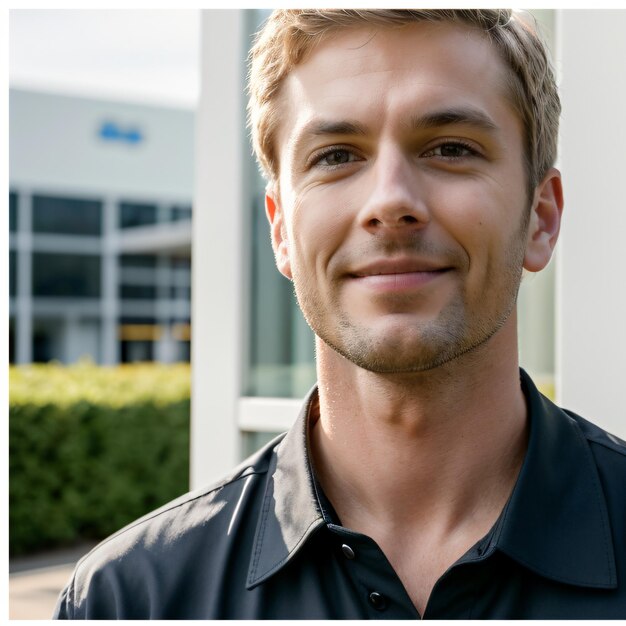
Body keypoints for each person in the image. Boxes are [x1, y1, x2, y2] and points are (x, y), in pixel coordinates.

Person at [54, 9, 626, 619]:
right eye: (335, 156)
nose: (390, 201)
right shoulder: (130, 601)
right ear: (279, 228)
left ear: (541, 216)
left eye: (451, 148)